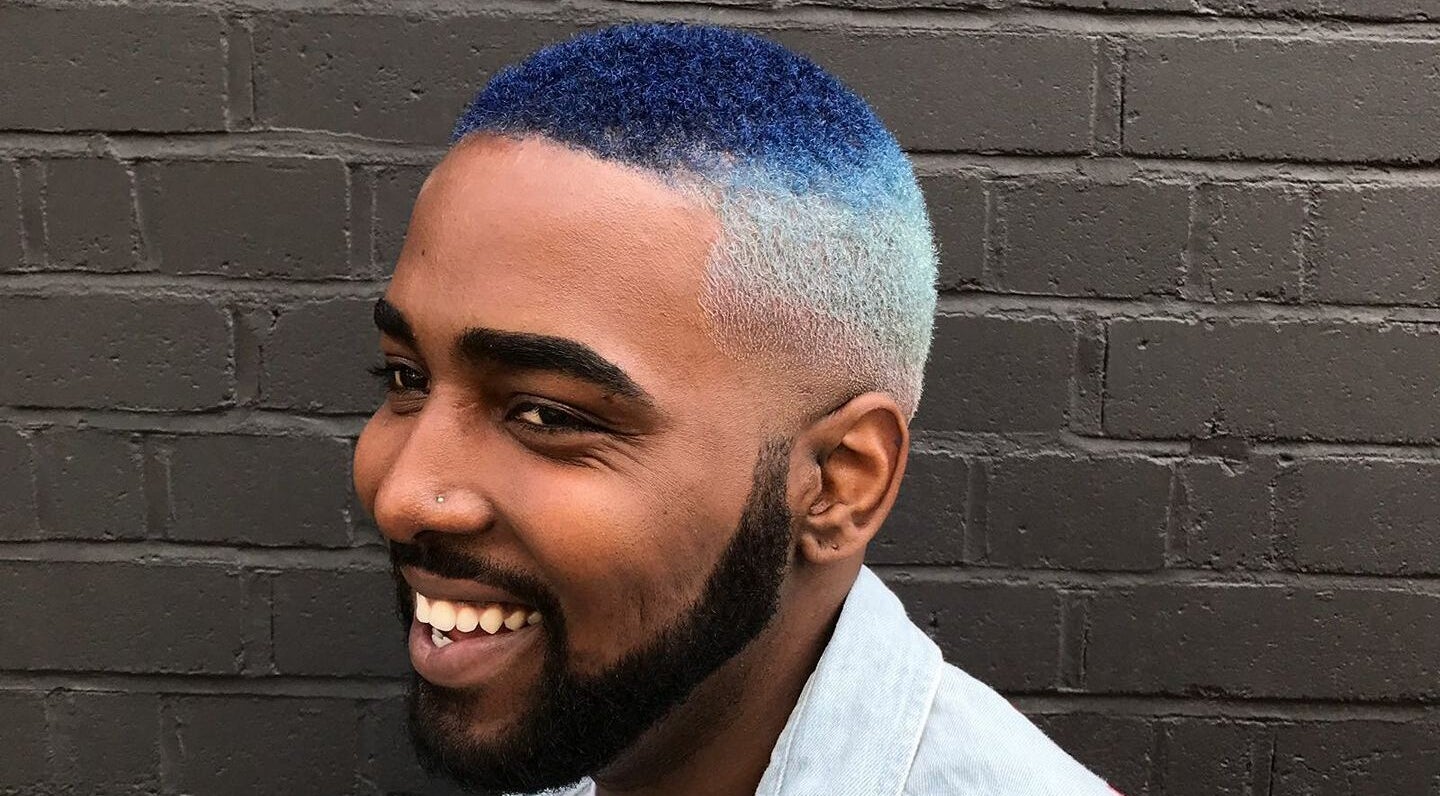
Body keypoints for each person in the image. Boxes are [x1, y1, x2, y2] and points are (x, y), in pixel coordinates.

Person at [352, 22, 1119, 796]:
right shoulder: (591, 712)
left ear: (838, 483)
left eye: (548, 416)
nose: (402, 496)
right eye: (406, 380)